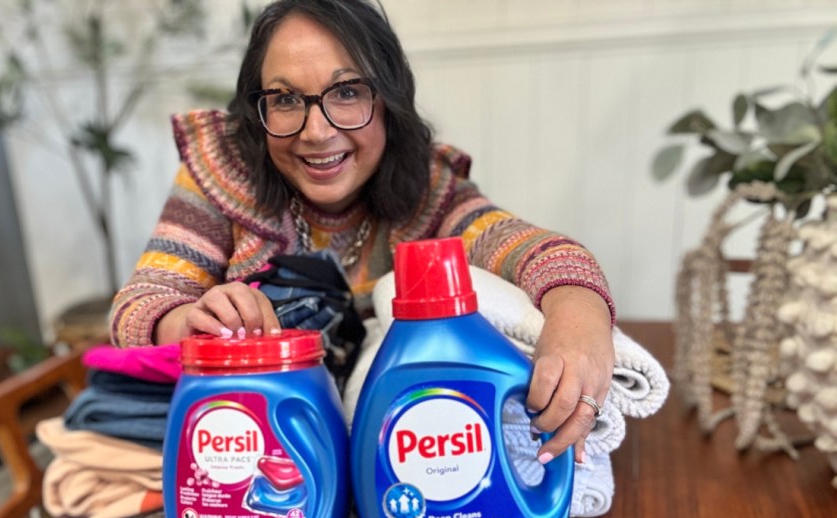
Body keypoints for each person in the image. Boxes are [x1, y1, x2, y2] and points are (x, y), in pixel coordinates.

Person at [110, 0, 616, 465]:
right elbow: (139, 305)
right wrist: (192, 322)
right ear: (257, 109)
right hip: (253, 468)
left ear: (390, 101)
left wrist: (580, 318)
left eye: (347, 92)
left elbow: (528, 247)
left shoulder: (428, 191)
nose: (316, 131)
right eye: (285, 99)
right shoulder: (225, 173)